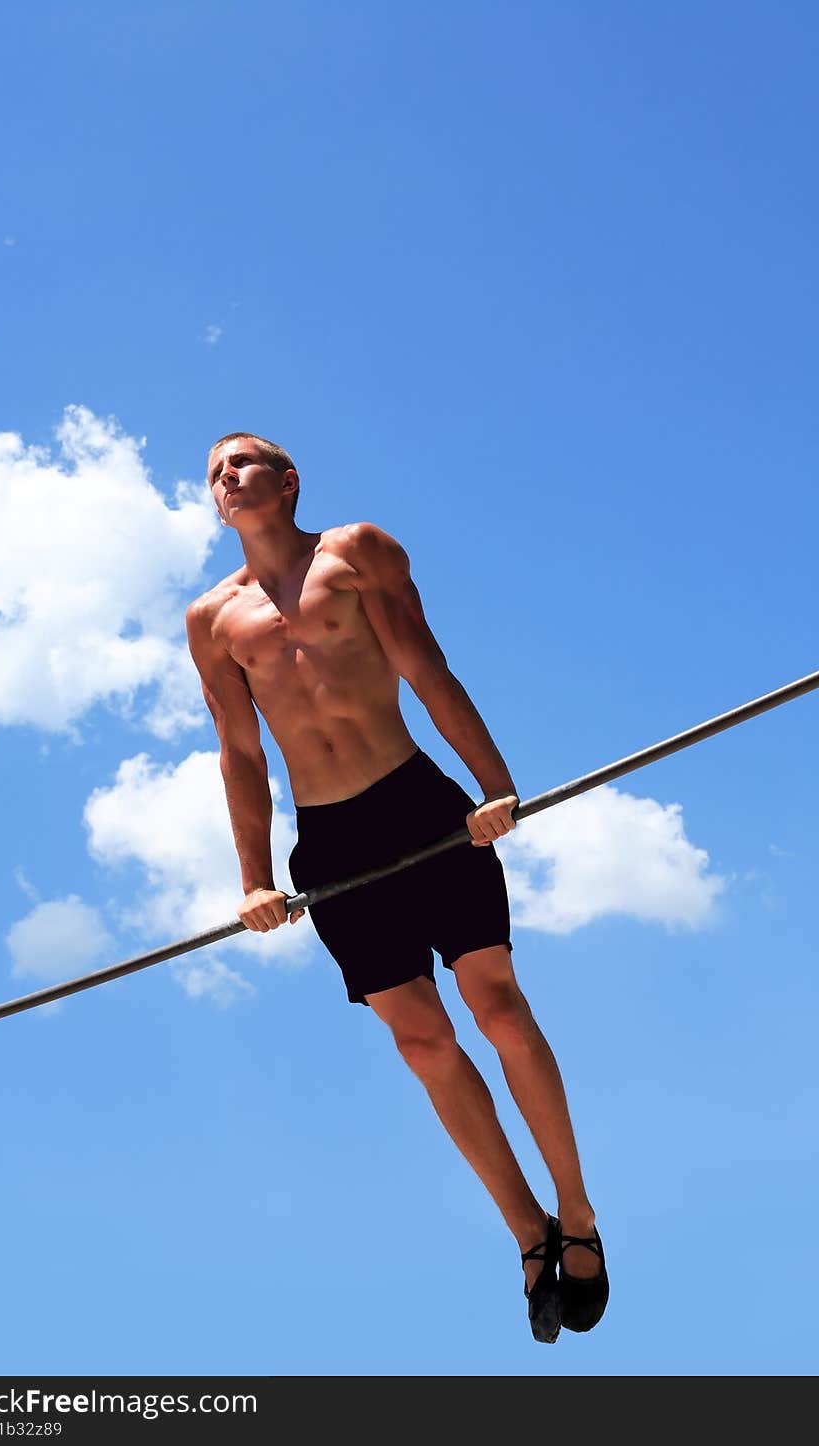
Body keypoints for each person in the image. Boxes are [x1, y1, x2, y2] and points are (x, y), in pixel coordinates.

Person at [185, 431, 609, 1342]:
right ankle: (528, 1234)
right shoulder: (212, 620)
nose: (226, 478)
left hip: (417, 801)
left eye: (243, 462)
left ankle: (577, 1214)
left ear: (288, 481)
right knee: (422, 1043)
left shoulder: (358, 552)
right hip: (330, 845)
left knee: (495, 1005)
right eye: (214, 471)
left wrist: (496, 786)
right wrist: (254, 880)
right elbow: (240, 754)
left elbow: (427, 668)